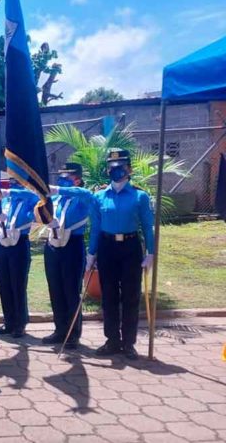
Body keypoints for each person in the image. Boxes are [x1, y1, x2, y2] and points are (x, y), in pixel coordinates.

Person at [88, 148, 155, 360]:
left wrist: (151, 253)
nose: (116, 170)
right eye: (112, 166)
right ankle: (112, 340)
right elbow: (96, 227)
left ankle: (128, 343)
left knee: (130, 296)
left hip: (130, 248)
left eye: (121, 166)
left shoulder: (139, 196)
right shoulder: (99, 196)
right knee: (108, 296)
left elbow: (148, 227)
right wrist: (91, 254)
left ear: (129, 169)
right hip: (107, 248)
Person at [41, 162, 95, 349]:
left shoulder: (81, 197)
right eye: (60, 177)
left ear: (77, 180)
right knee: (55, 288)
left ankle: (73, 333)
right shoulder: (57, 199)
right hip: (53, 245)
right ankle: (59, 329)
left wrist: (60, 189)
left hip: (72, 245)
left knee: (71, 291)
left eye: (67, 178)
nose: (62, 180)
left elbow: (87, 195)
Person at [0, 176, 38, 338]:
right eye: (12, 181)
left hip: (19, 243)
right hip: (2, 241)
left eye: (17, 181)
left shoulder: (29, 197)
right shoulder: (6, 200)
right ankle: (9, 322)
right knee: (4, 283)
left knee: (18, 284)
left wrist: (12, 192)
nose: (13, 183)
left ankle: (20, 323)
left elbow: (35, 200)